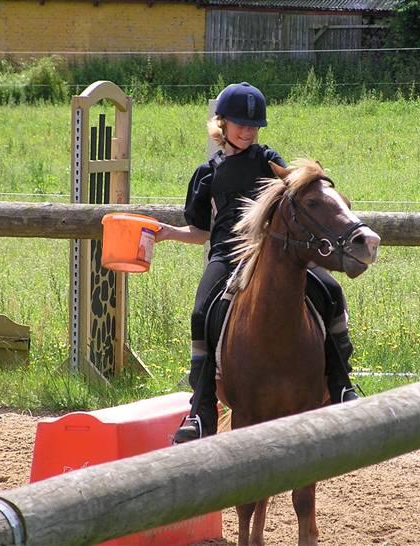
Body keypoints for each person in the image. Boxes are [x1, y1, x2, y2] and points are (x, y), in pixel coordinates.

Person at [155, 82, 359, 444]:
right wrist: (168, 232)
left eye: (254, 126)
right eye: (240, 124)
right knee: (202, 311)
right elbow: (201, 231)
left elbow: (299, 197)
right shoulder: (208, 173)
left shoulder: (270, 161)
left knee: (330, 289)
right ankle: (201, 409)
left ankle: (341, 384)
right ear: (222, 124)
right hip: (227, 257)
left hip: (272, 252)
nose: (248, 131)